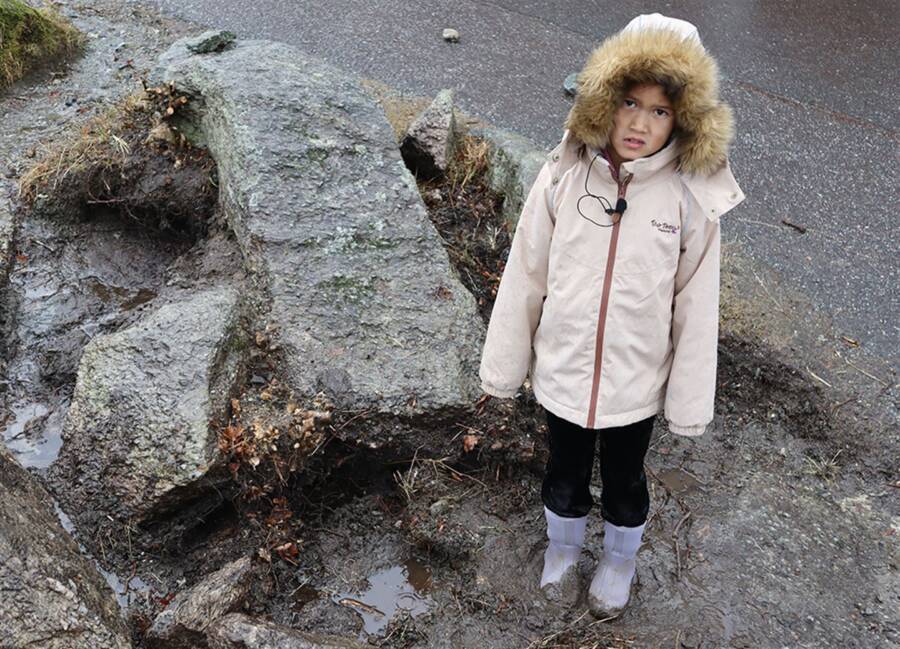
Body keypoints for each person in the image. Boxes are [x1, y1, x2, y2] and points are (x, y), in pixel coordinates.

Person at [478, 13, 745, 616]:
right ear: (604, 96)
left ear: (685, 119)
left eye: (660, 110)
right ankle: (564, 549)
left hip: (635, 377)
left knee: (626, 479)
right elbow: (527, 272)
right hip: (565, 367)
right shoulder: (565, 174)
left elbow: (696, 309)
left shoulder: (688, 198)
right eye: (629, 101)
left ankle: (620, 558)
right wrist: (505, 365)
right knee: (564, 469)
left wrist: (686, 401)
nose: (639, 122)